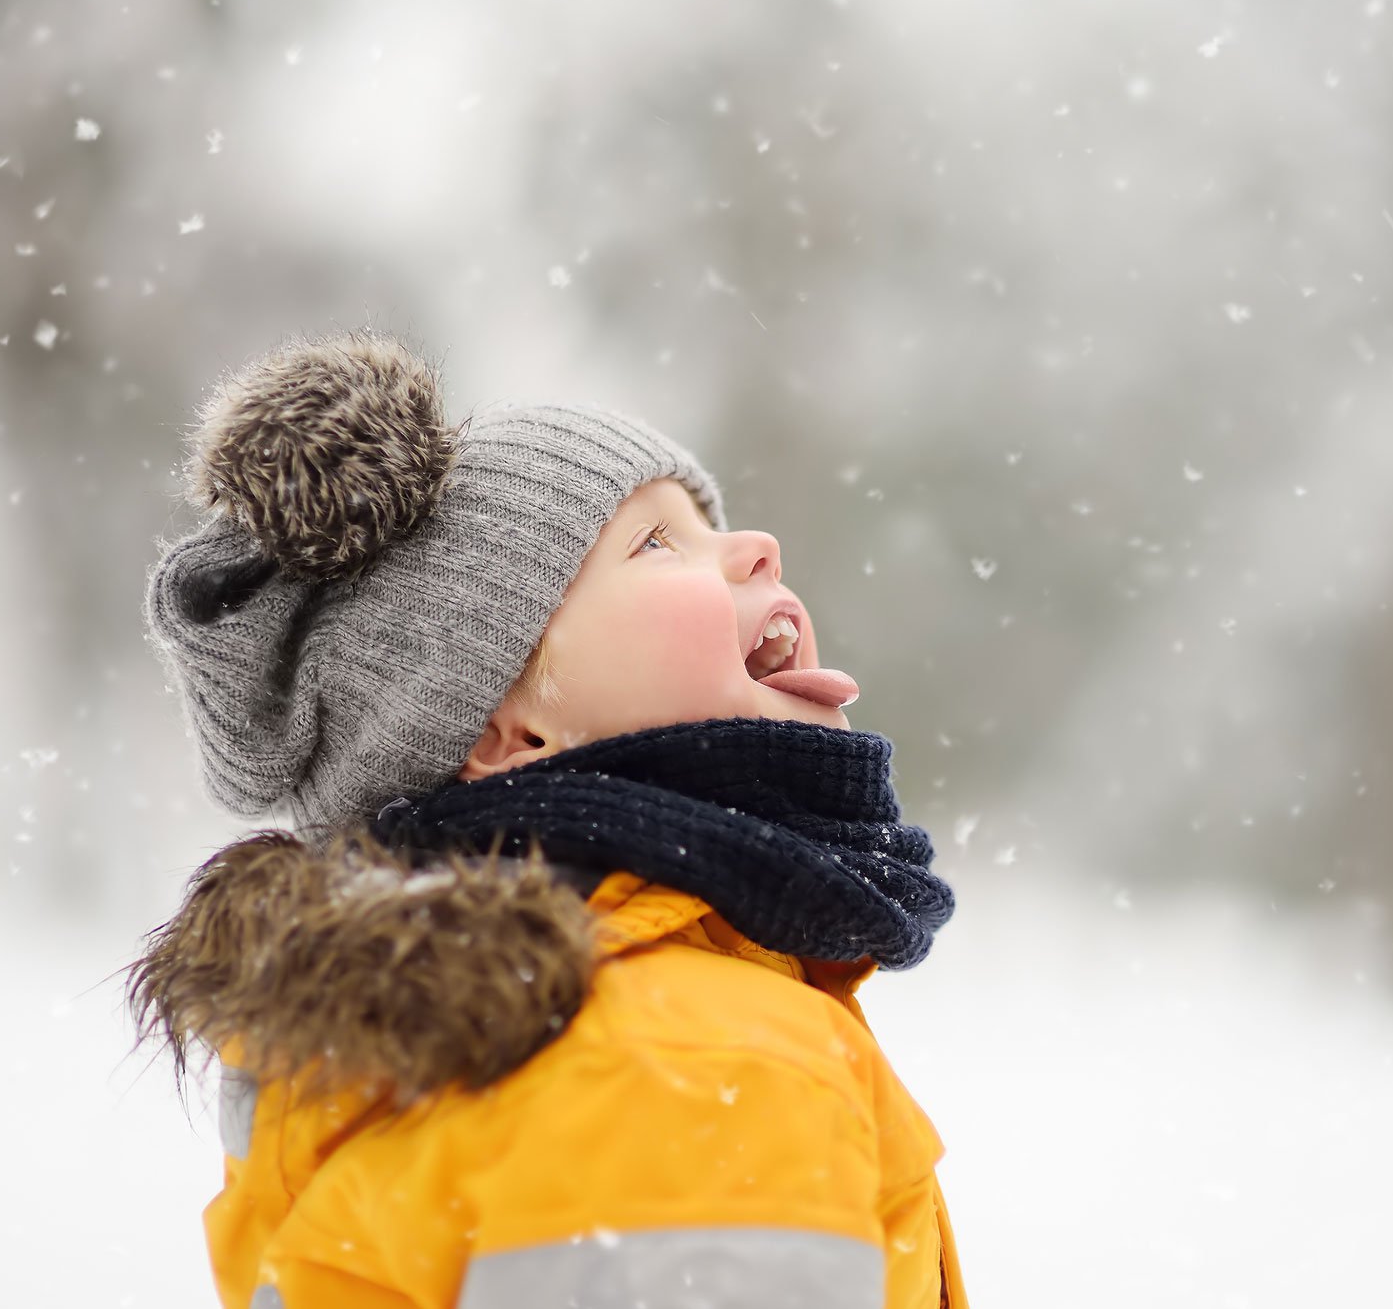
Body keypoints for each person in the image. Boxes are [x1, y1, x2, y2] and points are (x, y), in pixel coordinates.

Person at [126, 329, 966, 1308]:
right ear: (506, 736)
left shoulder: (529, 1040)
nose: (757, 546)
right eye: (655, 543)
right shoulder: (683, 1059)